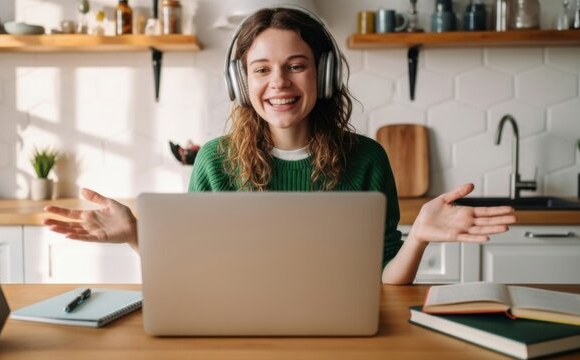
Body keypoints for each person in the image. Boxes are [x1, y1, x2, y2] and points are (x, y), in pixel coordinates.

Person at [43, 7, 516, 285]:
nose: (279, 83)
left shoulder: (367, 158)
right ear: (241, 81)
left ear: (323, 74)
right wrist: (135, 236)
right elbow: (192, 273)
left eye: (296, 65)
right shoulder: (215, 160)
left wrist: (416, 238)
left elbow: (384, 286)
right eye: (262, 69)